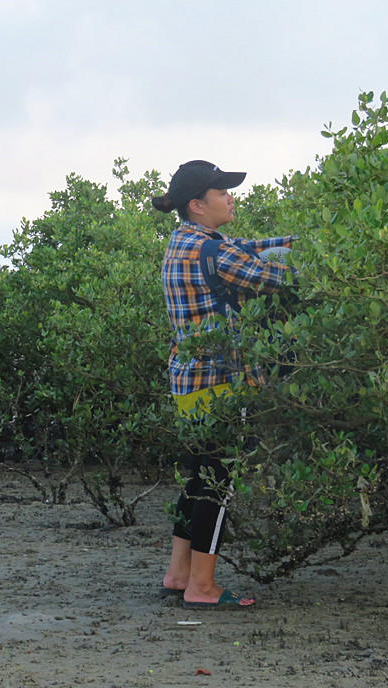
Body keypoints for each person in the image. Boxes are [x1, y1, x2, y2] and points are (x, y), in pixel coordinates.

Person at [151, 160, 296, 608]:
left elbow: (246, 248)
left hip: (189, 382)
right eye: (221, 191)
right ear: (197, 204)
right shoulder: (211, 252)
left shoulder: (185, 242)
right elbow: (278, 277)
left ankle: (179, 574)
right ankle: (202, 587)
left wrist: (296, 243)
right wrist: (322, 258)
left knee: (197, 477)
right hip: (221, 384)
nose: (230, 196)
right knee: (218, 482)